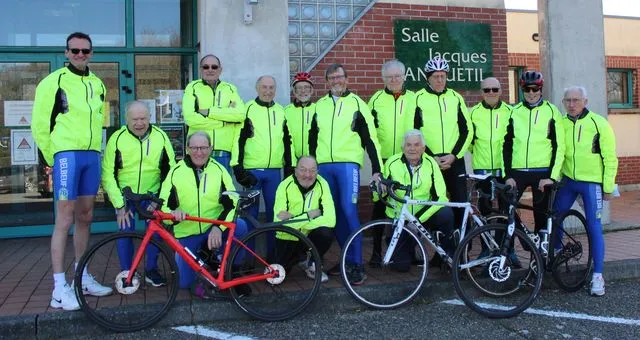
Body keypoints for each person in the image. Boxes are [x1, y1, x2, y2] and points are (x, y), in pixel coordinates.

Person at [31, 32, 112, 311]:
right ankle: (58, 288)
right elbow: (40, 124)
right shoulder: (52, 81)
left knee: (86, 216)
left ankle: (82, 276)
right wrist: (51, 156)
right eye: (75, 50)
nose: (80, 55)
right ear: (66, 52)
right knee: (64, 218)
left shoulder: (97, 83)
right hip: (66, 154)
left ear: (91, 52)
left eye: (85, 51)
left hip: (91, 154)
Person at [309, 63, 383, 285]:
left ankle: (357, 264)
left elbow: (370, 139)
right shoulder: (319, 106)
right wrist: (311, 165)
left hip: (348, 165)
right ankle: (347, 259)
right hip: (324, 167)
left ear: (347, 79)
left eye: (339, 77)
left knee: (349, 210)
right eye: (331, 78)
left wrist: (377, 169)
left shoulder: (358, 104)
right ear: (327, 81)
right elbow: (312, 139)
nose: (336, 81)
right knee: (334, 215)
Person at [159, 132, 248, 291]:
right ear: (187, 148)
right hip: (188, 234)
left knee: (240, 226)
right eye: (194, 147)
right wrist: (174, 214)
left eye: (203, 148)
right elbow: (163, 207)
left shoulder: (219, 170)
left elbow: (233, 203)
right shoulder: (175, 172)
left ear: (211, 148)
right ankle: (206, 262)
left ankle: (232, 270)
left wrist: (218, 227)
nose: (199, 152)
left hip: (212, 229)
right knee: (184, 284)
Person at [102, 101, 176, 287]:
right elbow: (107, 174)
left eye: (143, 118)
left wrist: (160, 200)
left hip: (152, 196)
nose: (139, 123)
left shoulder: (161, 137)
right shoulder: (117, 139)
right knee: (125, 231)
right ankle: (128, 272)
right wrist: (119, 205)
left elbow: (171, 172)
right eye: (134, 119)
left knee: (155, 233)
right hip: (126, 198)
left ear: (150, 118)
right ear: (126, 119)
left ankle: (151, 270)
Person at [555, 86, 618, 296]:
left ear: (585, 101)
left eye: (576, 100)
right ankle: (556, 254)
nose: (572, 105)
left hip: (591, 183)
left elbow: (610, 157)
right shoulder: (560, 123)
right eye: (568, 101)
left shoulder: (599, 123)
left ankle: (598, 275)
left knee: (594, 225)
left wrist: (608, 186)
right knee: (555, 217)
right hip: (568, 180)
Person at [414, 56, 473, 242]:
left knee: (460, 203)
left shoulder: (456, 98)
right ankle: (440, 250)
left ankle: (464, 248)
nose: (439, 80)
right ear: (428, 78)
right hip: (430, 161)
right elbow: (414, 130)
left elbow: (467, 130)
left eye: (442, 76)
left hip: (454, 160)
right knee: (434, 206)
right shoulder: (418, 98)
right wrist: (431, 157)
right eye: (435, 76)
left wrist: (454, 155)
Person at [381, 130, 455, 271]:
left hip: (424, 215)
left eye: (416, 145)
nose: (412, 148)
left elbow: (441, 197)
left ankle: (446, 255)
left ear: (423, 148)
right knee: (400, 267)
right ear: (403, 148)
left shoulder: (431, 163)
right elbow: (381, 193)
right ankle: (410, 250)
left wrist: (418, 220)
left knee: (446, 214)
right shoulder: (392, 162)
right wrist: (381, 188)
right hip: (401, 218)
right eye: (408, 145)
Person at [366, 59, 416, 266]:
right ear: (383, 78)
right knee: (380, 206)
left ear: (404, 76)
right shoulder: (375, 100)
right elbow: (370, 136)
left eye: (397, 76)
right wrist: (377, 167)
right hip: (384, 161)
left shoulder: (415, 98)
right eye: (389, 77)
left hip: (409, 160)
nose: (394, 80)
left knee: (408, 206)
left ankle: (409, 252)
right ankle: (376, 252)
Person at [503, 71, 565, 234]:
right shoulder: (513, 111)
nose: (531, 93)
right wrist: (508, 175)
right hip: (518, 172)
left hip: (542, 172)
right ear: (522, 90)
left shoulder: (552, 111)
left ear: (540, 89)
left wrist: (552, 176)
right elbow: (506, 145)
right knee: (506, 211)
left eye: (535, 89)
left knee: (541, 216)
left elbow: (559, 146)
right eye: (527, 89)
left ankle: (539, 256)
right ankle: (512, 251)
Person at [232, 75, 294, 225]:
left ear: (275, 90)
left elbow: (288, 141)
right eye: (264, 87)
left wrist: (290, 166)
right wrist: (237, 167)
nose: (268, 91)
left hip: (274, 172)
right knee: (250, 214)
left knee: (275, 213)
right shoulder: (247, 109)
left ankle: (273, 249)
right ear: (257, 88)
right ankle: (248, 249)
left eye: (271, 87)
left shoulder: (281, 111)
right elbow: (237, 140)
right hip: (251, 171)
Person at [273, 156, 335, 283]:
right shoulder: (284, 185)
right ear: (295, 170)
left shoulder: (322, 183)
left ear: (317, 171)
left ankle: (311, 262)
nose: (308, 175)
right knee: (276, 278)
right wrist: (309, 215)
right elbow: (279, 223)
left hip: (308, 237)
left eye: (312, 170)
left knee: (325, 233)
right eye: (303, 170)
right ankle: (300, 259)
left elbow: (330, 220)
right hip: (287, 237)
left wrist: (294, 219)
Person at [183, 54, 245, 172]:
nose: (210, 70)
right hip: (198, 151)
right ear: (201, 69)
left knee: (222, 189)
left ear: (220, 70)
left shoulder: (230, 88)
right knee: (198, 189)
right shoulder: (192, 88)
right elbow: (190, 118)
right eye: (206, 67)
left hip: (223, 153)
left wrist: (209, 112)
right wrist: (223, 121)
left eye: (214, 67)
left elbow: (240, 115)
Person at [469, 77, 511, 215]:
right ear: (482, 92)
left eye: (495, 89)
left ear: (500, 91)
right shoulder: (473, 112)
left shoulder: (511, 112)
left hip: (504, 167)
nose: (491, 92)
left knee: (505, 206)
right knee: (484, 205)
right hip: (482, 167)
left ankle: (503, 236)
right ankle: (485, 236)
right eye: (487, 90)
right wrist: (477, 152)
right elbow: (469, 140)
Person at [284, 72, 315, 159]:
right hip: (292, 161)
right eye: (299, 88)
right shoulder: (286, 111)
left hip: (313, 161)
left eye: (306, 87)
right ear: (294, 91)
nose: (303, 91)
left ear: (311, 90)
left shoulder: (318, 110)